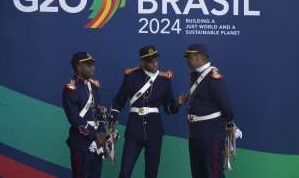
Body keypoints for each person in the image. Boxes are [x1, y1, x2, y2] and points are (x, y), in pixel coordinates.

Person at [109, 45, 186, 178]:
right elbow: (119, 100)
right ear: (142, 62)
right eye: (150, 61)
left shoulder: (164, 80)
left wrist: (178, 104)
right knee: (125, 172)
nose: (154, 63)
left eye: (156, 60)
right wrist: (112, 116)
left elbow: (169, 109)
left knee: (151, 173)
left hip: (154, 132)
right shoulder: (131, 77)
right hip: (134, 131)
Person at [183, 44, 235, 178]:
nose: (187, 61)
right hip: (196, 132)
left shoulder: (213, 77)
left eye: (189, 57)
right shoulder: (195, 76)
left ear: (198, 57)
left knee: (212, 173)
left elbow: (224, 104)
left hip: (211, 132)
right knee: (198, 172)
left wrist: (230, 123)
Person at [62, 52, 106, 178]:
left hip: (98, 143)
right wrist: (94, 135)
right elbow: (74, 118)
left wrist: (102, 132)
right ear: (79, 66)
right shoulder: (71, 89)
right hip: (81, 144)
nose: (93, 67)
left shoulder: (94, 85)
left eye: (92, 64)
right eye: (89, 65)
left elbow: (99, 111)